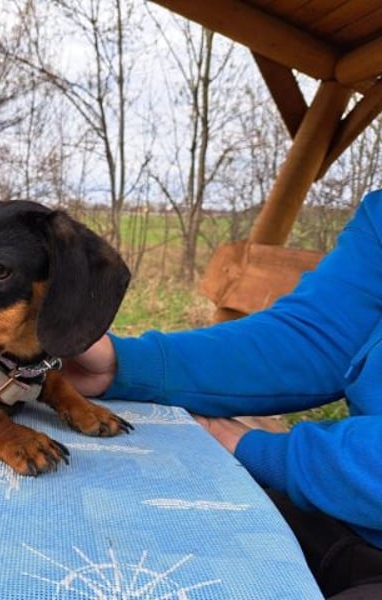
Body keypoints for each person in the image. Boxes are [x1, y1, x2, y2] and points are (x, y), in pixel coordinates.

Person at [63, 189, 382, 600]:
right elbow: (319, 336)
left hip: (346, 495)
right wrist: (126, 364)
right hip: (343, 511)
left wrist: (268, 452)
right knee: (126, 524)